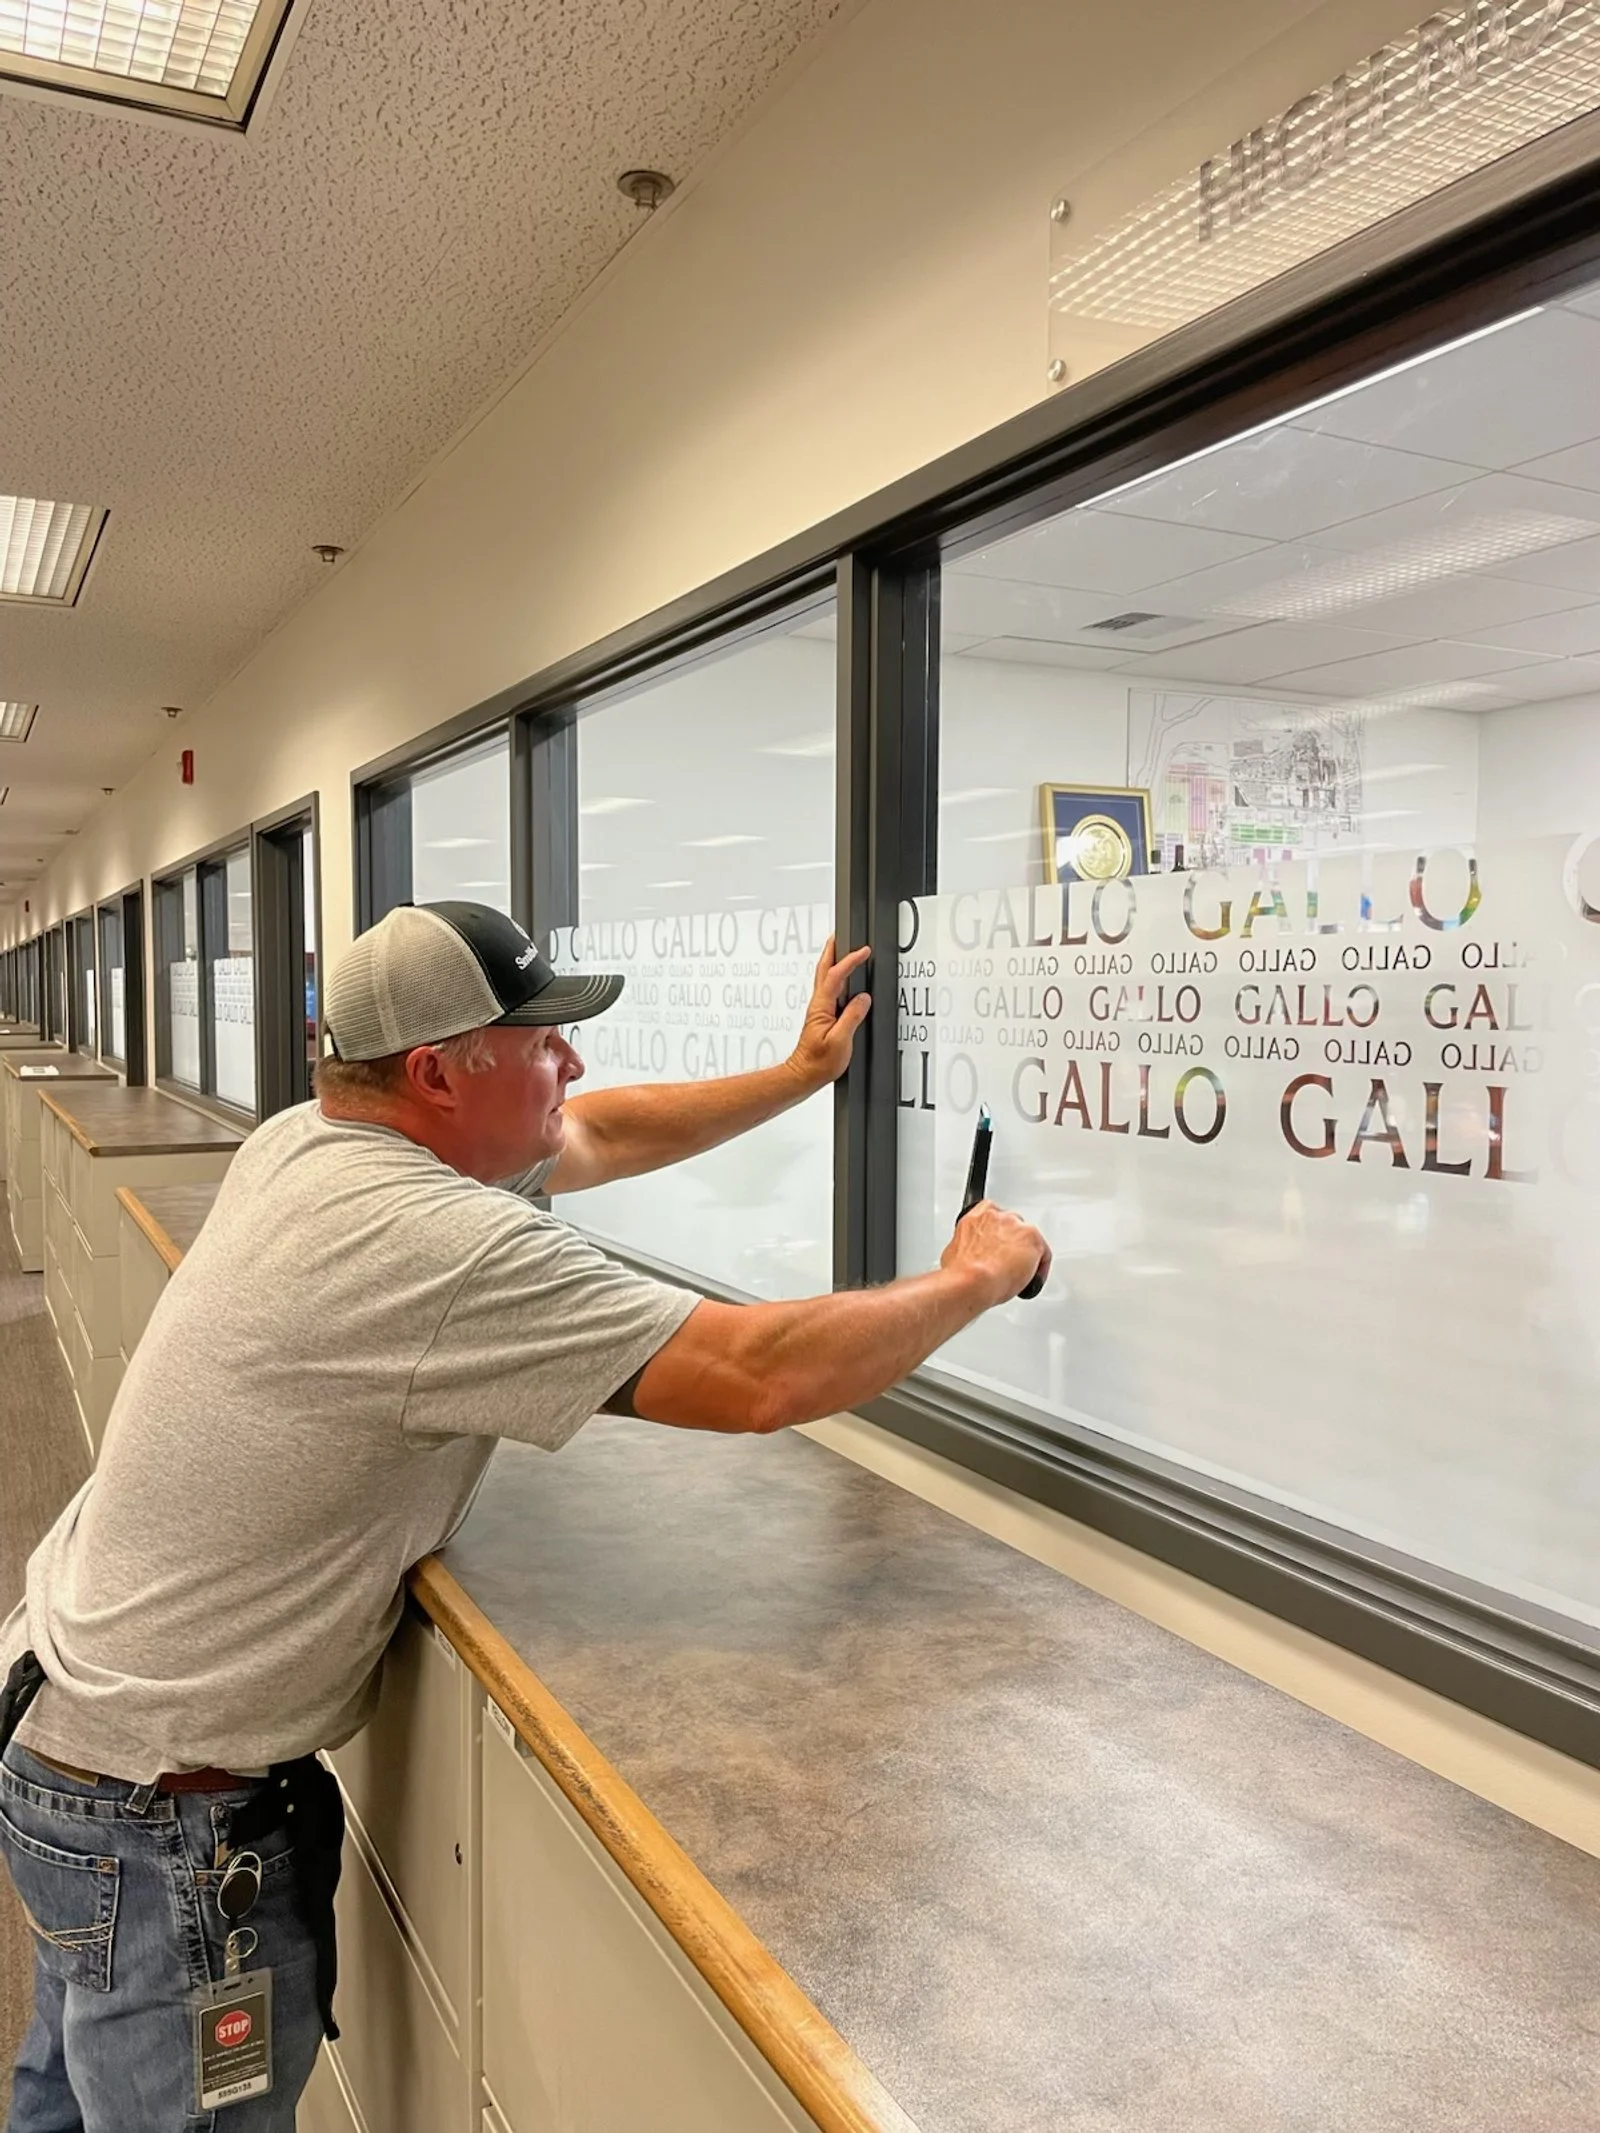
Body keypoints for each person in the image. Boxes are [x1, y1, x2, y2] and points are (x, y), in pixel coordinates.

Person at [0, 899, 1048, 2133]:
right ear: (439, 1073)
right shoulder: (431, 1241)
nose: (575, 1062)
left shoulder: (313, 1139)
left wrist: (796, 1074)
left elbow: (592, 1132)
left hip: (75, 1734)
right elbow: (764, 1375)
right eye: (543, 1039)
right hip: (164, 1809)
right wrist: (976, 1273)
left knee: (62, 2106)